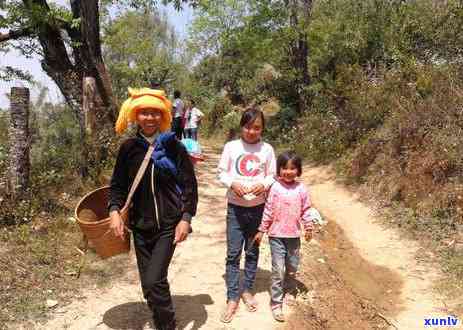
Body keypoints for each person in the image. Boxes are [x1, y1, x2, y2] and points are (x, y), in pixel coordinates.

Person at [108, 87, 198, 330]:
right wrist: (114, 210)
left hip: (168, 226)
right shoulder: (128, 149)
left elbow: (189, 185)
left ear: (163, 117)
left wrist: (186, 218)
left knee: (155, 279)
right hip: (140, 226)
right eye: (144, 113)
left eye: (155, 113)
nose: (150, 118)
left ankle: (168, 325)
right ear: (136, 116)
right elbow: (117, 185)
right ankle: (160, 320)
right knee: (148, 286)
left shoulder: (174, 147)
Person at [217, 107, 276, 323]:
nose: (252, 131)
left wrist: (264, 184)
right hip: (235, 208)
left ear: (262, 129)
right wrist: (233, 183)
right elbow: (222, 172)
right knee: (233, 254)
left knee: (252, 252)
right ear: (242, 126)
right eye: (248, 126)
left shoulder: (267, 149)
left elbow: (272, 175)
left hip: (258, 208)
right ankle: (232, 296)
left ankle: (247, 289)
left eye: (257, 127)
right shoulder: (231, 147)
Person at [254, 151, 314, 322]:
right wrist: (261, 230)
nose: (288, 172)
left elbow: (306, 209)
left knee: (292, 266)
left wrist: (308, 227)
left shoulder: (301, 189)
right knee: (278, 269)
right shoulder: (274, 188)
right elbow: (268, 210)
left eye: (293, 168)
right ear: (279, 169)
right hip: (276, 236)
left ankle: (288, 289)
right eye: (284, 168)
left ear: (298, 170)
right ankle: (276, 302)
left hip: (294, 236)